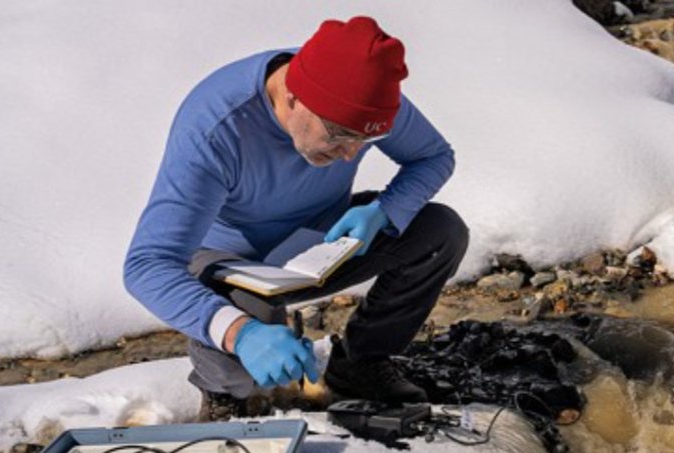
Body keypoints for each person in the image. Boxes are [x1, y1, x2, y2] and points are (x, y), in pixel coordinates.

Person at [123, 16, 468, 421]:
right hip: (229, 258)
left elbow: (432, 156)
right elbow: (147, 265)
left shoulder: (363, 98)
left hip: (324, 240)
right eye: (339, 135)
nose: (351, 153)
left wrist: (384, 212)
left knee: (440, 232)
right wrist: (242, 333)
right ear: (291, 98)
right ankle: (224, 395)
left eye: (367, 140)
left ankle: (360, 362)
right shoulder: (216, 129)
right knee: (245, 309)